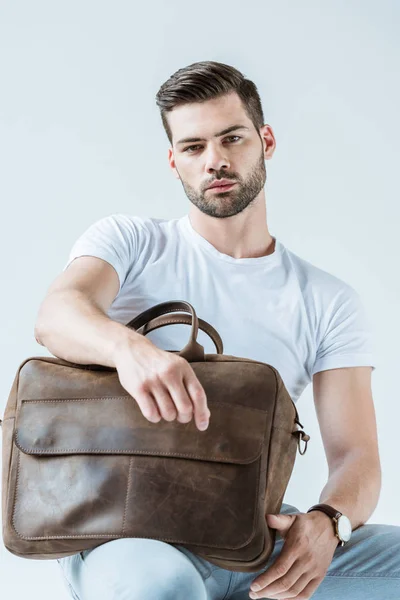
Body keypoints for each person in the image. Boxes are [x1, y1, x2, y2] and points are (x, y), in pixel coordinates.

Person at [34, 61, 400, 600]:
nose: (216, 161)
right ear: (173, 161)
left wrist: (328, 522)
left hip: (253, 535)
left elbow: (356, 458)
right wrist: (131, 350)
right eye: (194, 147)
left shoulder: (327, 300)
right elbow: (57, 314)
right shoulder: (132, 243)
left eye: (232, 138)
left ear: (266, 140)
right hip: (127, 530)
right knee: (159, 588)